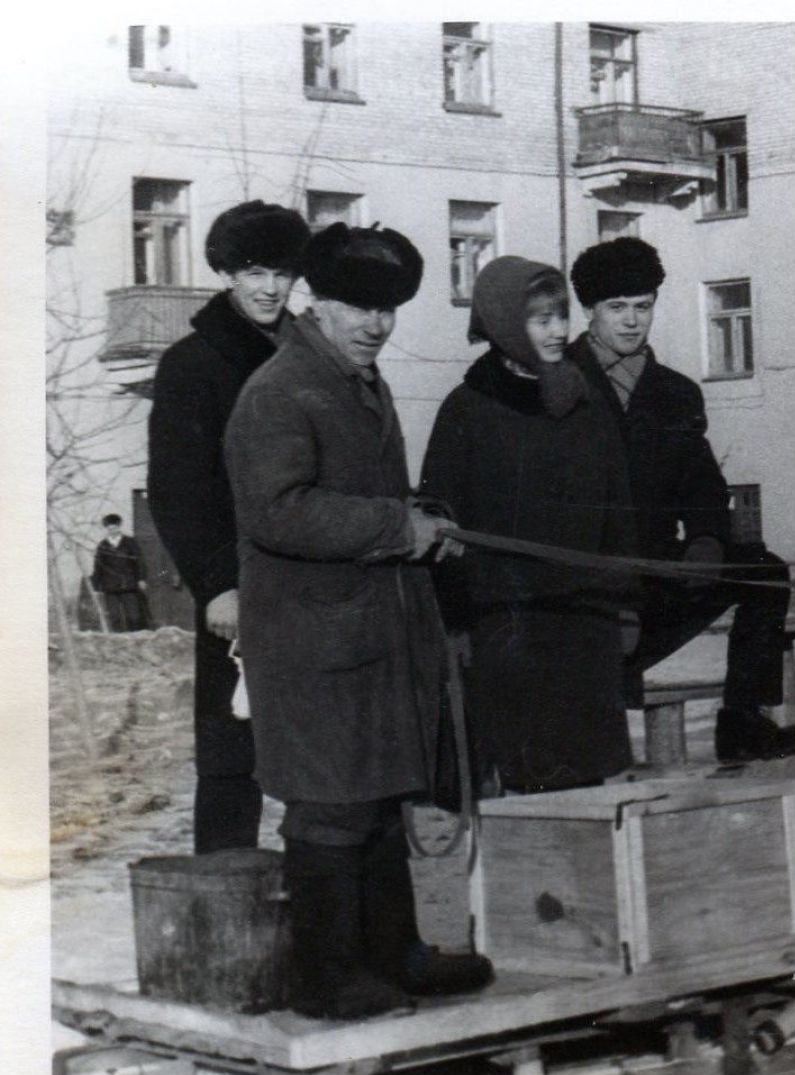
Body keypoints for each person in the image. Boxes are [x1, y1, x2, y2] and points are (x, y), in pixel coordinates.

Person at [224, 223, 493, 1020]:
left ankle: (395, 956)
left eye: (388, 310)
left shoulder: (356, 382)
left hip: (371, 632)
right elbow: (277, 511)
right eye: (359, 308)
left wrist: (419, 521)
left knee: (380, 798)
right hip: (313, 644)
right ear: (317, 300)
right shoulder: (279, 391)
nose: (376, 325)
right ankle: (327, 975)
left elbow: (353, 496)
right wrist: (392, 527)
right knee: (330, 807)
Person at [566, 237, 795, 762]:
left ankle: (743, 720)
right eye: (617, 308)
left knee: (763, 572)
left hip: (658, 579)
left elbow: (702, 485)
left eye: (643, 306)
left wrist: (706, 540)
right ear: (588, 310)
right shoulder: (559, 385)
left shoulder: (675, 392)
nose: (632, 322)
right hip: (582, 583)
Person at [420, 256, 640, 793]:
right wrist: (456, 624)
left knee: (585, 788)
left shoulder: (586, 402)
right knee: (528, 793)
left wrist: (627, 604)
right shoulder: (467, 411)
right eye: (542, 320)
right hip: (509, 635)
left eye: (561, 316)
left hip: (584, 628)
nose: (560, 331)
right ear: (503, 324)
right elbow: (441, 526)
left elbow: (619, 512)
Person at [147, 199, 309, 853]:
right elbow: (178, 489)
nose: (270, 288)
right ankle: (227, 912)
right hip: (238, 595)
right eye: (253, 272)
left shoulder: (312, 352)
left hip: (313, 583)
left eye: (282, 273)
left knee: (321, 759)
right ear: (227, 274)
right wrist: (217, 583)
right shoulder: (193, 364)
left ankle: (320, 917)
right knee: (229, 756)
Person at [90, 514, 149, 632]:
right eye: (109, 529)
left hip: (129, 585)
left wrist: (141, 579)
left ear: (119, 527)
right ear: (106, 529)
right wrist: (95, 586)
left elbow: (140, 561)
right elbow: (98, 566)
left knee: (134, 616)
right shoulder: (103, 545)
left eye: (115, 528)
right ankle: (119, 640)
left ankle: (136, 638)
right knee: (114, 616)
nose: (112, 531)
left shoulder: (130, 542)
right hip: (110, 586)